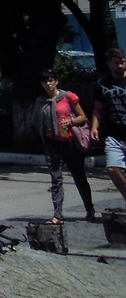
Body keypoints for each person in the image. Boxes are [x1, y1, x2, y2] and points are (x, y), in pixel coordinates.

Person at [37, 69, 94, 223]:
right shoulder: (41, 101)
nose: (49, 84)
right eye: (45, 81)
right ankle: (57, 215)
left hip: (70, 143)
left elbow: (83, 117)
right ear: (41, 84)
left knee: (79, 177)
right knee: (56, 179)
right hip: (52, 144)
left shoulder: (67, 97)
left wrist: (71, 122)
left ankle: (89, 208)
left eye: (51, 80)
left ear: (56, 81)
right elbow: (38, 122)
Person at [90, 47, 126, 205]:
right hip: (115, 134)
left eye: (122, 62)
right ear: (109, 64)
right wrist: (94, 127)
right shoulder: (103, 83)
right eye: (116, 63)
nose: (120, 66)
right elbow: (98, 108)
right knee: (112, 169)